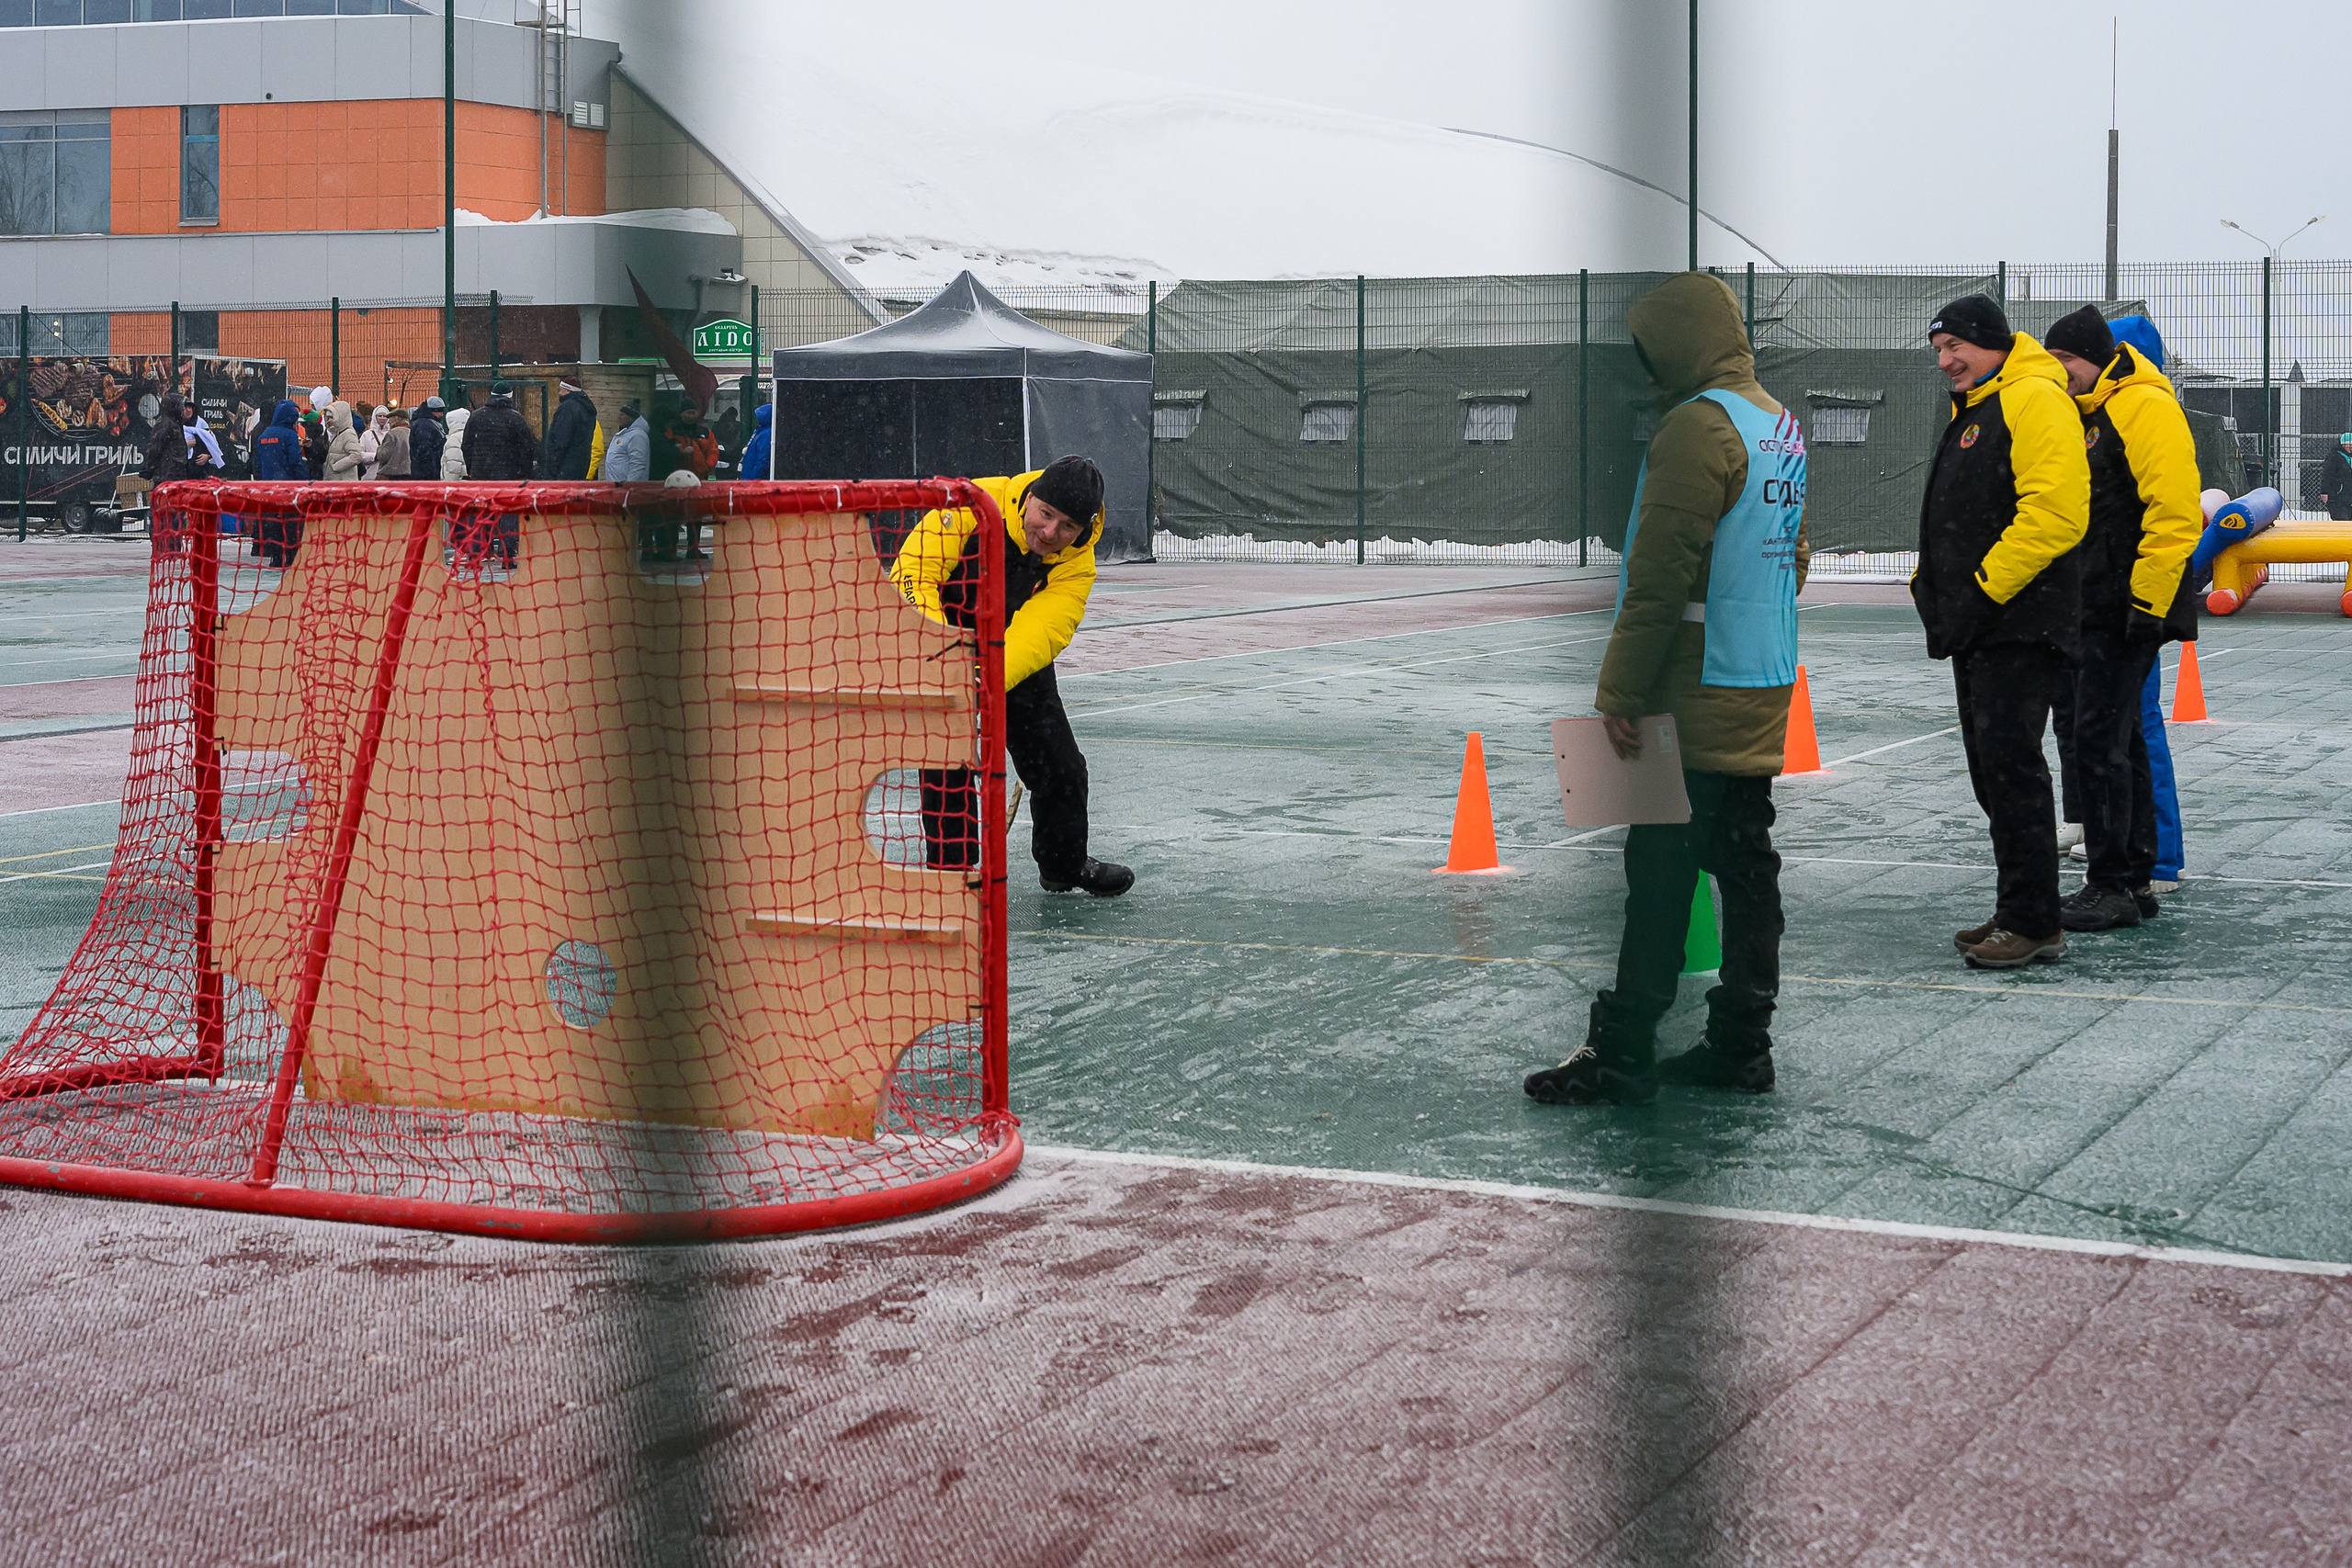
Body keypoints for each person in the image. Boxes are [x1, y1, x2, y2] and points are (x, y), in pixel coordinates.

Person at [1522, 272, 1810, 1107]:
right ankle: (1741, 1041)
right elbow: (1789, 558)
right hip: (1758, 675)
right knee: (1749, 865)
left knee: (1657, 872)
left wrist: (1618, 690)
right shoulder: (1778, 424)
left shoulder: (1697, 429)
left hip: (1691, 684)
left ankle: (1622, 1049)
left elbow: (1656, 580)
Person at [1915, 294, 2089, 970]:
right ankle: (2022, 902)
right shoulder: (1984, 401)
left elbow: (2056, 513)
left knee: (2013, 768)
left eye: (1955, 345)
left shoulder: (2032, 398)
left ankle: (2033, 919)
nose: (1946, 360)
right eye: (1937, 350)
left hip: (2018, 620)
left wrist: (1983, 587)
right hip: (1984, 622)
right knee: (1994, 771)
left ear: (1991, 340)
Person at [889, 455, 1134, 898]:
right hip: (940, 647)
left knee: (1061, 767)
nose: (1049, 533)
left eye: (1067, 528)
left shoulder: (1075, 564)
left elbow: (1043, 630)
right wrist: (944, 659)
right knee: (948, 767)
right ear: (1031, 496)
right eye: (1046, 515)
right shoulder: (970, 504)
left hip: (1012, 659)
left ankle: (1064, 866)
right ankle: (951, 876)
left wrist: (983, 679)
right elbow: (912, 576)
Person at [2041, 305, 2200, 932]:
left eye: (2065, 362)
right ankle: (2134, 876)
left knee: (2099, 740)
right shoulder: (2095, 411)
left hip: (2127, 605)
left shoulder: (2144, 406)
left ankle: (2110, 883)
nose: (2061, 375)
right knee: (2121, 736)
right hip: (2102, 600)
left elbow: (2175, 509)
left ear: (2094, 355)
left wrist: (2146, 600)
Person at [249, 397, 308, 568]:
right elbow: (295, 461)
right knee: (290, 524)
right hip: (288, 487)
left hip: (269, 487)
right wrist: (304, 479)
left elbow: (258, 462)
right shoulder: (289, 435)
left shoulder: (264, 434)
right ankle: (290, 557)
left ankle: (275, 557)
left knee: (273, 523)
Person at [461, 381, 537, 481]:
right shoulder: (516, 419)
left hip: (480, 475)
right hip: (508, 476)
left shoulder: (475, 417)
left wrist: (472, 468)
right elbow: (526, 449)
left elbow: (466, 446)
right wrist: (523, 473)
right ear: (510, 397)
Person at [542, 377, 599, 479]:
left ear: (568, 390)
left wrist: (552, 468)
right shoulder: (587, 409)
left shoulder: (567, 408)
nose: (559, 393)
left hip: (565, 467)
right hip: (581, 464)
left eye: (561, 390)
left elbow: (560, 440)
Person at [601, 398, 650, 481]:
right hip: (618, 486)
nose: (618, 417)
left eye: (622, 415)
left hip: (627, 489)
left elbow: (638, 464)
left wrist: (629, 486)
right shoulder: (626, 433)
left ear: (631, 417)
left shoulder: (637, 436)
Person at [670, 405, 719, 480]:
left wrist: (707, 466)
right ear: (681, 414)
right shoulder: (673, 430)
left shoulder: (705, 431)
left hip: (700, 476)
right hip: (677, 476)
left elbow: (713, 451)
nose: (691, 416)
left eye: (693, 413)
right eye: (688, 413)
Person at [322, 400, 364, 481]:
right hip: (337, 480)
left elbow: (356, 456)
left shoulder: (348, 433)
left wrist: (336, 467)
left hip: (344, 480)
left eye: (332, 418)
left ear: (340, 417)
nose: (329, 421)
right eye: (327, 418)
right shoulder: (337, 433)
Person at [410, 396, 447, 480]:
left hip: (424, 471)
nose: (441, 414)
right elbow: (424, 451)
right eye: (439, 411)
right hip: (428, 472)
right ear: (433, 411)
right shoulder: (425, 425)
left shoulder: (424, 423)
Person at [2322, 432, 2352, 522]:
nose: (2351, 447)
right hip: (2338, 495)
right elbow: (2327, 475)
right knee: (2341, 520)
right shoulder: (2334, 456)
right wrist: (2325, 491)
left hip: (2349, 496)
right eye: (2349, 444)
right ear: (2343, 444)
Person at [739, 402, 773, 481]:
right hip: (750, 477)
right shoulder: (761, 431)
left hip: (752, 480)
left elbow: (763, 460)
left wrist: (754, 478)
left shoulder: (765, 434)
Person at [376, 406, 413, 479]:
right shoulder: (411, 432)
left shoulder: (392, 434)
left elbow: (383, 456)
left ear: (396, 419)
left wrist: (379, 449)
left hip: (391, 474)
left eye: (390, 419)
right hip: (408, 473)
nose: (388, 422)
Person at [439, 406, 470, 480]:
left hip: (458, 483)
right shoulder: (469, 435)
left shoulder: (454, 439)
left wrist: (449, 484)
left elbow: (453, 466)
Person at [356, 401, 382, 479]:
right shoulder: (365, 432)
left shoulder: (390, 434)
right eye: (379, 416)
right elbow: (359, 454)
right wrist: (375, 456)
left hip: (372, 473)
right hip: (371, 473)